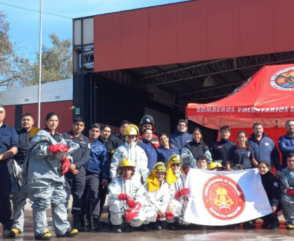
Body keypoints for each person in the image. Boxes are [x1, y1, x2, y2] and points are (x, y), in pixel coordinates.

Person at [26, 113, 79, 240]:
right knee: (41, 203)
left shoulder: (59, 136)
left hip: (57, 175)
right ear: (46, 121)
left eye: (56, 120)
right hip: (42, 175)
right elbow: (36, 152)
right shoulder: (40, 134)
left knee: (60, 202)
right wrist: (51, 148)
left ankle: (63, 229)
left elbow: (64, 151)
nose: (53, 123)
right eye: (51, 120)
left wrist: (66, 160)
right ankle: (40, 231)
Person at [108, 159, 157, 233]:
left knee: (144, 215)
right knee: (115, 203)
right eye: (125, 169)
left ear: (132, 171)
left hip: (132, 207)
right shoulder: (115, 181)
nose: (127, 172)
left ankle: (131, 225)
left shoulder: (136, 182)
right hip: (121, 207)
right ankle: (117, 225)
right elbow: (112, 193)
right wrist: (123, 196)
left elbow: (142, 196)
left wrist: (135, 206)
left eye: (129, 170)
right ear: (121, 170)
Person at [11, 113, 39, 235]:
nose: (26, 122)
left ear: (33, 122)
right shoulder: (16, 133)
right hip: (19, 169)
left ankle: (41, 227)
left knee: (38, 200)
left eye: (28, 120)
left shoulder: (38, 133)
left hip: (36, 169)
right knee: (18, 198)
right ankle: (17, 226)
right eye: (24, 120)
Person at [62, 117, 90, 231]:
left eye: (81, 125)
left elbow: (85, 157)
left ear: (83, 127)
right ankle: (62, 222)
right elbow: (61, 153)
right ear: (73, 124)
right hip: (65, 172)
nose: (79, 127)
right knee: (64, 197)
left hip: (79, 172)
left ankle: (76, 221)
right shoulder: (64, 137)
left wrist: (76, 165)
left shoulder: (86, 140)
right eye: (77, 124)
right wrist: (69, 166)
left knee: (78, 197)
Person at [83, 130, 109, 231]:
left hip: (94, 174)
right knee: (82, 197)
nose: (94, 133)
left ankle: (95, 218)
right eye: (92, 131)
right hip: (81, 174)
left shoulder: (101, 147)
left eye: (97, 131)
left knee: (94, 194)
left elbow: (104, 163)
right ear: (89, 131)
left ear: (99, 134)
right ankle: (86, 219)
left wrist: (105, 177)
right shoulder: (83, 142)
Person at [0, 104, 18, 238]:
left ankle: (6, 226)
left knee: (4, 197)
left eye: (1, 112)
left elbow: (14, 149)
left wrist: (1, 156)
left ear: (4, 114)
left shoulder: (11, 131)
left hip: (3, 166)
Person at [146, 162, 179, 230]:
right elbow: (150, 199)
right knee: (150, 211)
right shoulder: (150, 182)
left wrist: (170, 203)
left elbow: (170, 195)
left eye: (162, 173)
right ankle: (153, 223)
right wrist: (158, 209)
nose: (160, 175)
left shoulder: (166, 183)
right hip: (152, 205)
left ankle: (170, 222)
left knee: (177, 204)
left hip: (162, 203)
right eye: (158, 173)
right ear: (155, 173)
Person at [166, 154, 190, 230]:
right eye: (173, 164)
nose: (176, 166)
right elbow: (165, 193)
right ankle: (171, 222)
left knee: (186, 220)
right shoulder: (167, 177)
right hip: (172, 201)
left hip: (183, 201)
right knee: (176, 205)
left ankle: (181, 222)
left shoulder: (185, 176)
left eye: (178, 164)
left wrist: (191, 173)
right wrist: (178, 193)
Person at [258, 161, 280, 229]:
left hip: (273, 200)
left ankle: (275, 222)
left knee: (270, 206)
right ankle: (266, 221)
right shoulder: (256, 177)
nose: (262, 169)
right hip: (261, 200)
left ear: (268, 168)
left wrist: (274, 204)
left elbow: (275, 193)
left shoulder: (272, 178)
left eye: (264, 167)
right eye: (260, 167)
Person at [280, 153, 294, 229]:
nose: (291, 163)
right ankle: (291, 221)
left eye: (293, 160)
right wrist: (289, 191)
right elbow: (281, 187)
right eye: (289, 161)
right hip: (290, 195)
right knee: (284, 199)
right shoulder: (284, 172)